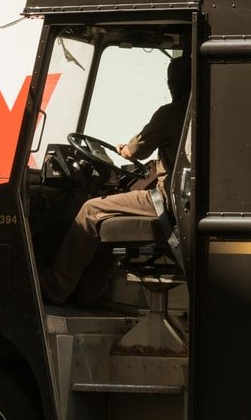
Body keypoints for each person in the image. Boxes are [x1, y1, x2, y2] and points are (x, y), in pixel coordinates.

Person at [41, 54, 191, 305]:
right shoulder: (199, 112)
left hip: (166, 201)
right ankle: (87, 295)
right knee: (107, 219)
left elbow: (134, 151)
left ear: (173, 84)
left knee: (90, 210)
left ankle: (54, 289)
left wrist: (123, 149)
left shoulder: (171, 113)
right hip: (182, 201)